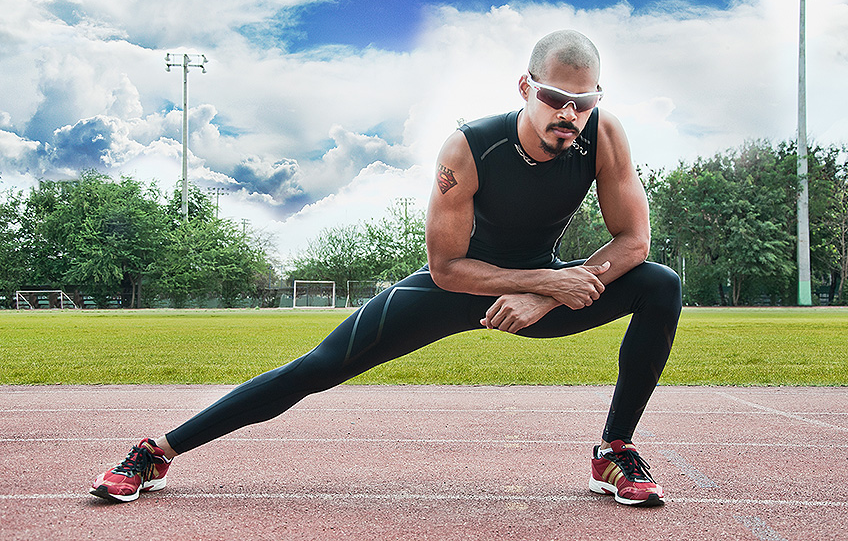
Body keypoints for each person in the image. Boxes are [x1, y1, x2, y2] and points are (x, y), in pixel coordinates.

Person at [90, 30, 681, 508]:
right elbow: (447, 268)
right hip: (463, 284)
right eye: (555, 98)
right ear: (525, 87)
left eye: (583, 102)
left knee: (661, 287)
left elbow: (635, 240)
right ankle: (155, 451)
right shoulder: (469, 148)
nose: (569, 115)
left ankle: (615, 450)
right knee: (318, 367)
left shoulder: (603, 135)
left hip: (539, 287)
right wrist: (539, 282)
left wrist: (548, 293)